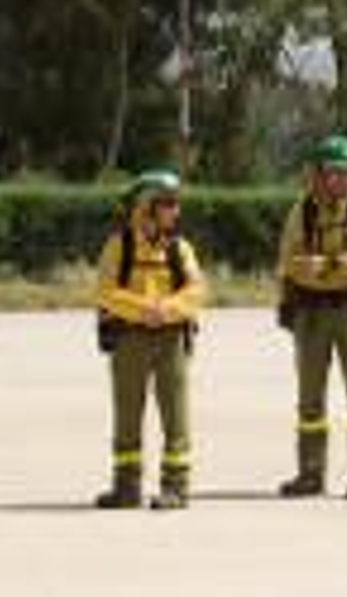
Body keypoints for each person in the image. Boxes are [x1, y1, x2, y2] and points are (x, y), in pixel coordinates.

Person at [276, 135, 347, 500]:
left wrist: (322, 267)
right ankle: (310, 475)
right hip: (310, 314)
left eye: (344, 173)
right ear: (318, 176)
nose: (338, 180)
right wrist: (335, 268)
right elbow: (290, 263)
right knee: (310, 399)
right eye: (331, 173)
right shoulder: (301, 212)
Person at [94, 170, 207, 511]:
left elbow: (197, 290)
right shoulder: (119, 246)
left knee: (175, 414)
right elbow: (106, 292)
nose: (176, 211)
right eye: (168, 204)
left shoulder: (179, 248)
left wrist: (168, 309)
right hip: (130, 338)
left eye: (176, 204)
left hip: (171, 338)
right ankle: (126, 487)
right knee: (127, 414)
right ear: (145, 208)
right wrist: (145, 310)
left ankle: (176, 487)